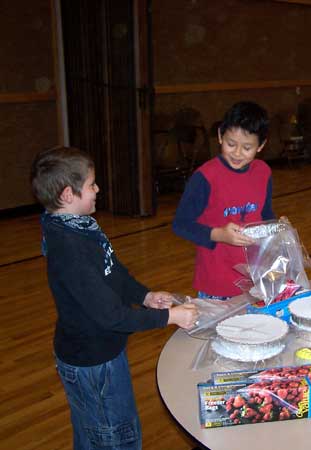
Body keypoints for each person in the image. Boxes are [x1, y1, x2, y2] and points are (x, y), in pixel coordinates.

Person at [30, 146, 199, 450]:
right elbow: (113, 316)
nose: (98, 190)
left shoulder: (80, 226)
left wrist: (145, 296)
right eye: (92, 184)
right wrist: (170, 317)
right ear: (68, 194)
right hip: (93, 363)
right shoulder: (69, 248)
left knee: (93, 433)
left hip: (99, 353)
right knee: (118, 437)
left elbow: (113, 269)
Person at [172, 101, 275, 299]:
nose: (237, 153)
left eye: (246, 148)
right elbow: (180, 225)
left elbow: (266, 214)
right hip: (216, 283)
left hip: (255, 277)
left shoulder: (263, 172)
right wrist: (219, 234)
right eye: (231, 144)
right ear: (220, 135)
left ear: (261, 145)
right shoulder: (204, 177)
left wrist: (277, 233)